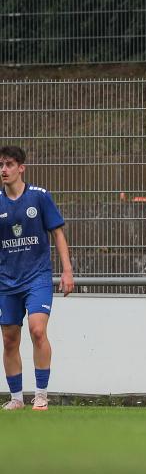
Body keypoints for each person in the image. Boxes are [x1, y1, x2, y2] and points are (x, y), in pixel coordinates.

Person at [0, 146, 74, 411]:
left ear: (21, 168)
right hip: (6, 281)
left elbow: (57, 234)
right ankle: (17, 398)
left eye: (9, 165)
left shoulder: (39, 197)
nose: (4, 170)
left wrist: (67, 271)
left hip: (37, 277)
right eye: (1, 165)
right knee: (9, 338)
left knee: (37, 330)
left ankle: (41, 395)